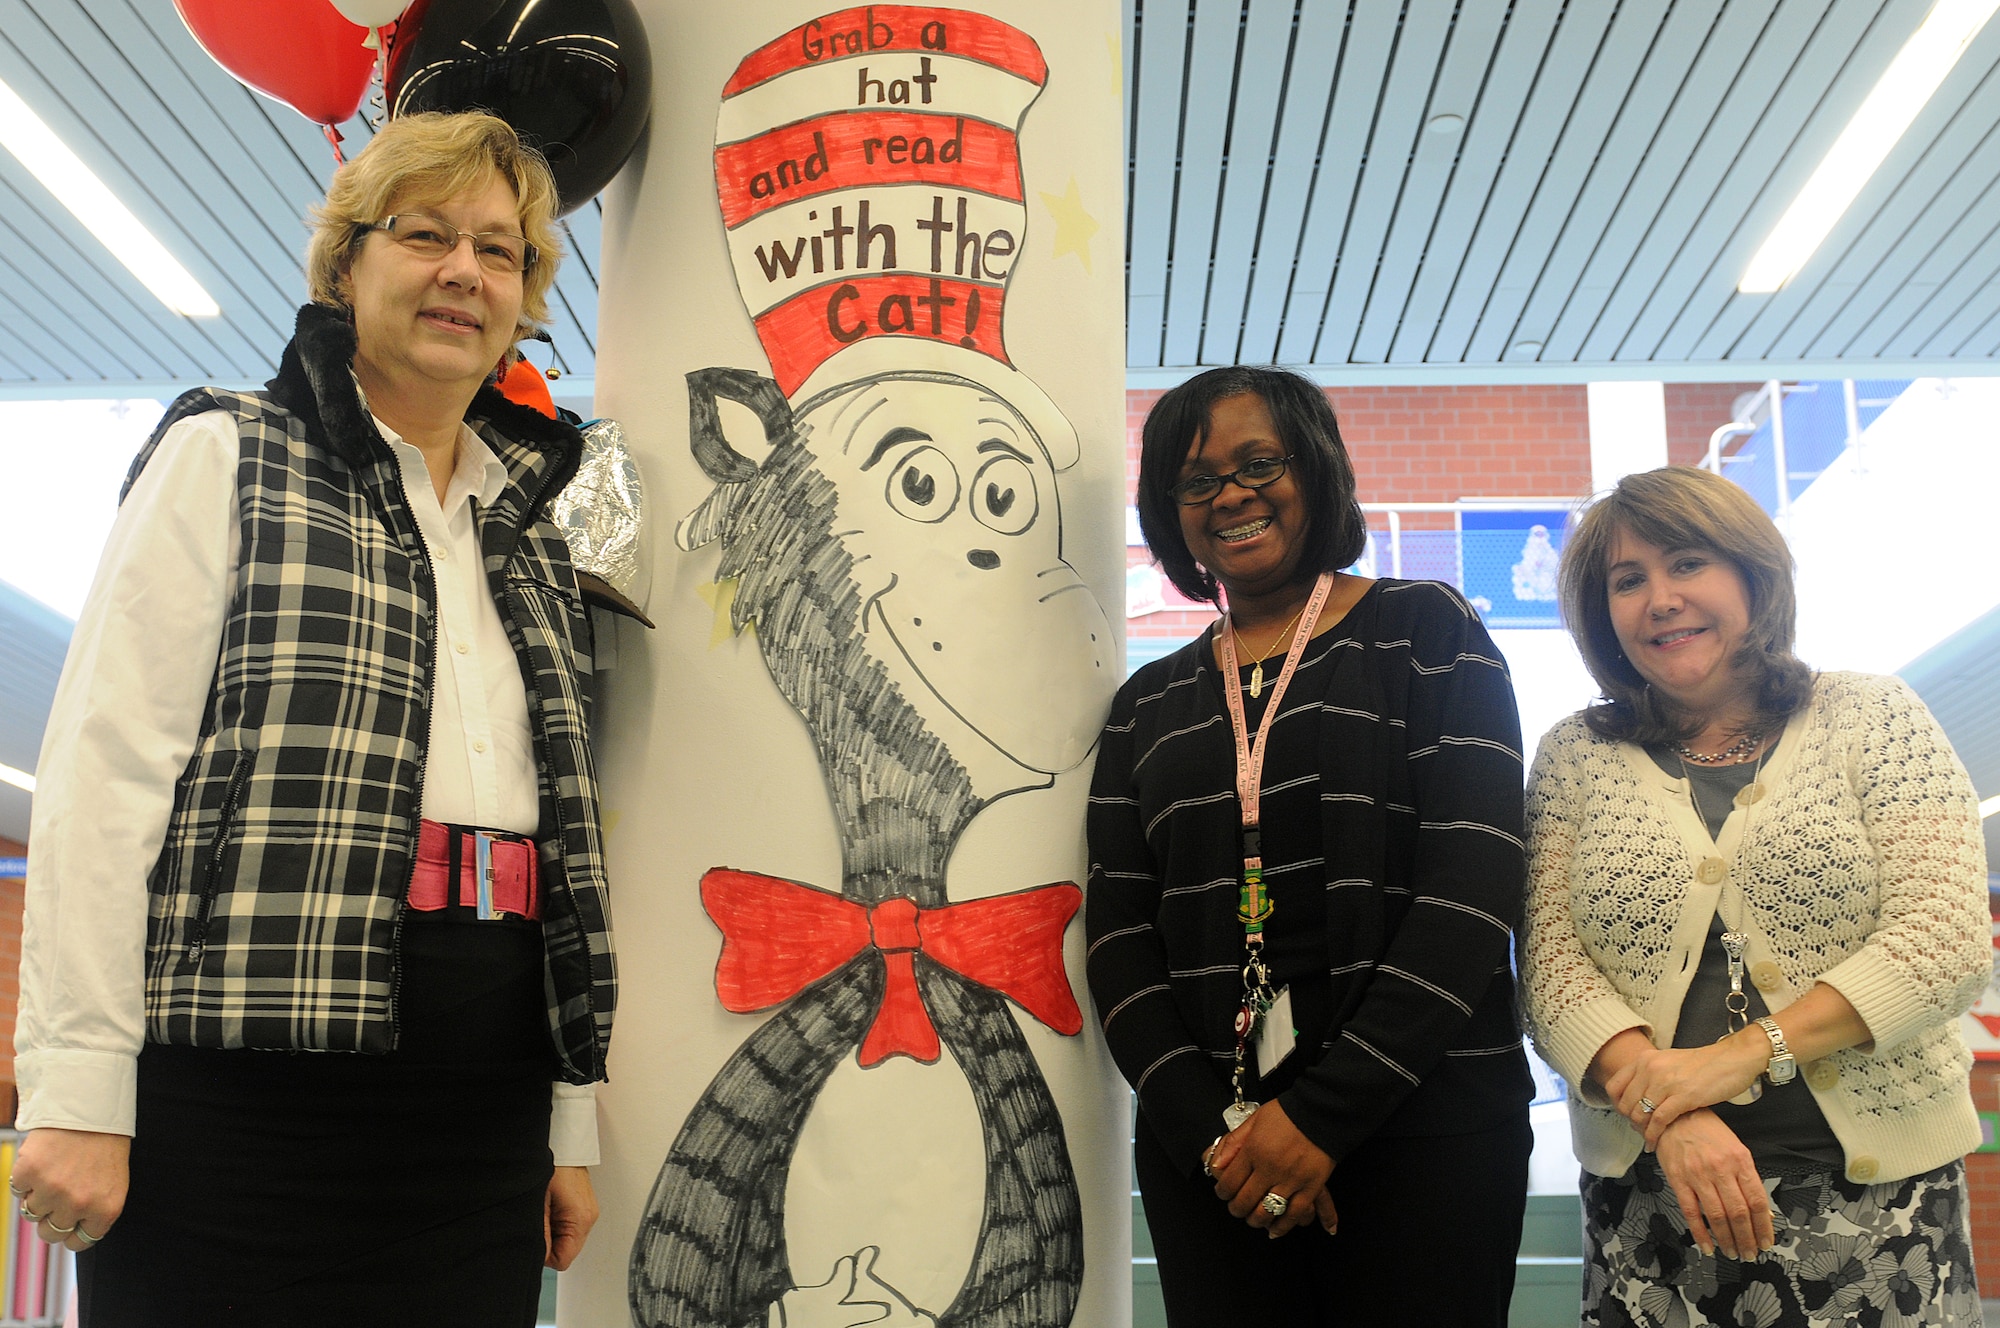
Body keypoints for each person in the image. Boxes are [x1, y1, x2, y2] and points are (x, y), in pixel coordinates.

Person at [10, 111, 617, 1326]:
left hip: (479, 1093)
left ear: (526, 297)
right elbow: (107, 771)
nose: (464, 271)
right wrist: (76, 1088)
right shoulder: (226, 451)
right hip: (239, 1086)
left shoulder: (538, 527)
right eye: (426, 234)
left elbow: (565, 836)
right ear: (347, 266)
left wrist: (567, 1112)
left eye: (500, 252)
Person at [1085, 365, 1534, 1326]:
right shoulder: (1146, 708)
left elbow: (1472, 889)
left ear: (1316, 469)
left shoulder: (1428, 632)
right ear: (1172, 512)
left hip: (1427, 1133)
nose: (1233, 495)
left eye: (1260, 462)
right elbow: (1120, 945)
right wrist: (1228, 1139)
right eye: (1197, 480)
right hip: (1215, 1162)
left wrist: (1318, 1121)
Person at [1520, 465, 1989, 1326]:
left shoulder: (1870, 714)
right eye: (1628, 581)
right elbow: (1551, 973)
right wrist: (1671, 1115)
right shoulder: (1574, 755)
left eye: (1688, 563)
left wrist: (1732, 1059)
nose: (1660, 599)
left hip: (1878, 1203)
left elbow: (1945, 939)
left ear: (1753, 576)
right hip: (1652, 1209)